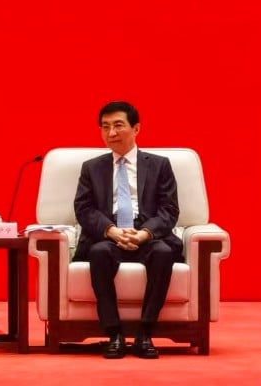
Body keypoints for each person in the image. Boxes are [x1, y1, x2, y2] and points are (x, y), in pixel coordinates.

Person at [72, 101, 183, 359]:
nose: (111, 133)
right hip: (108, 235)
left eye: (118, 125)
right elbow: (84, 209)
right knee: (98, 254)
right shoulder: (92, 167)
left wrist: (144, 233)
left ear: (136, 128)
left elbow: (169, 209)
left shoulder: (159, 165)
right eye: (105, 127)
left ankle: (145, 333)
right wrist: (111, 231)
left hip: (146, 233)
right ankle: (114, 334)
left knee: (164, 253)